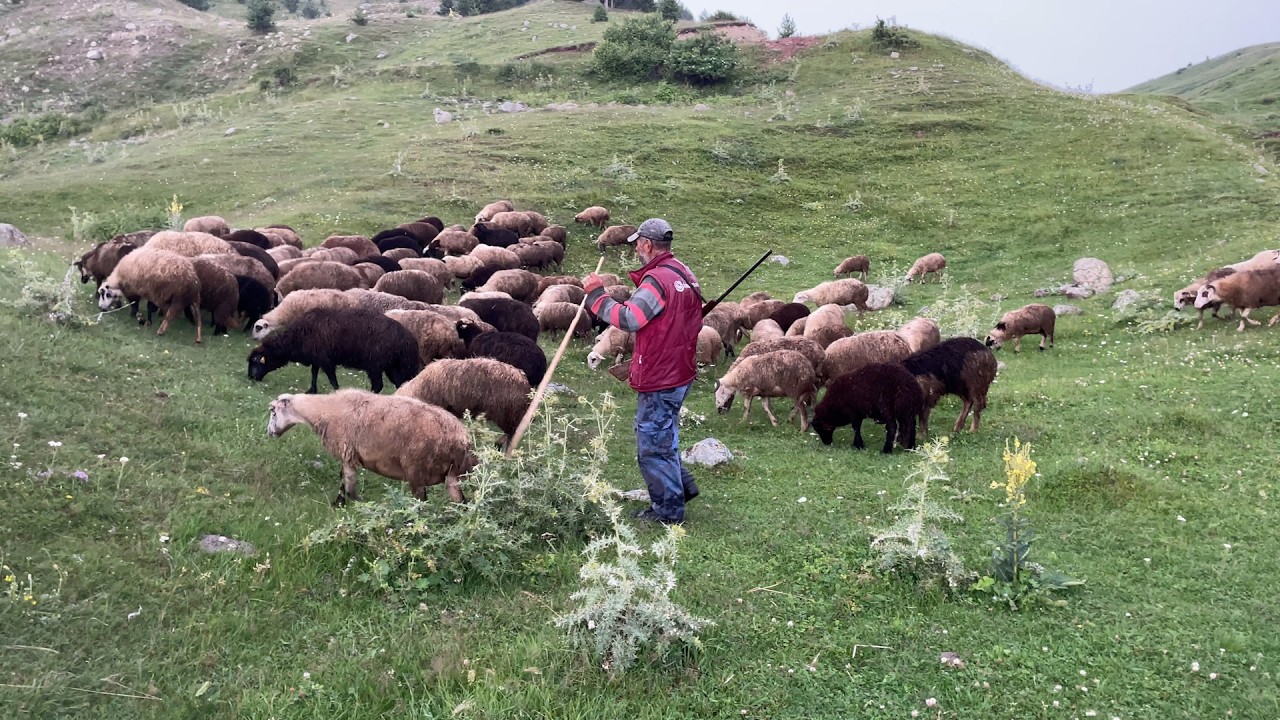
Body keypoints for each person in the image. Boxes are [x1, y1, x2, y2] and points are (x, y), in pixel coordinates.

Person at [583, 218, 702, 525]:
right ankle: (682, 486)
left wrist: (597, 297)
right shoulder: (683, 272)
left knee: (652, 444)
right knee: (664, 432)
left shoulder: (656, 280)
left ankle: (668, 511)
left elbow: (631, 318)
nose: (636, 248)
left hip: (661, 374)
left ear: (648, 244)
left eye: (638, 243)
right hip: (680, 369)